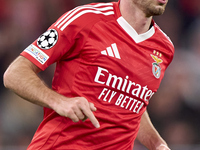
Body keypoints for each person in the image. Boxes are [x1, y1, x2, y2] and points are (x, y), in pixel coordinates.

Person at [3, 0, 174, 149]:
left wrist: (157, 143)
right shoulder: (84, 19)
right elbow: (15, 73)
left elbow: (132, 105)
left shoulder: (164, 48)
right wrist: (58, 100)